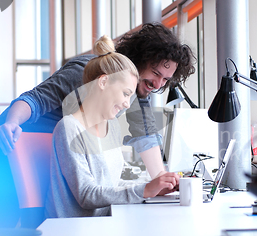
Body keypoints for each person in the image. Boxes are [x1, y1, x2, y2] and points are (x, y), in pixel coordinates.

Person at [0, 23, 195, 227]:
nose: (157, 85)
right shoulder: (85, 74)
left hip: (51, 158)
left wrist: (162, 181)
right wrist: (12, 122)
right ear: (139, 60)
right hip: (8, 147)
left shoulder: (135, 88)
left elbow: (146, 135)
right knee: (2, 231)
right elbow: (37, 99)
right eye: (156, 74)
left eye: (166, 80)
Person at [46, 36, 179, 218]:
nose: (126, 104)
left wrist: (155, 186)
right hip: (75, 231)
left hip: (105, 224)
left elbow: (112, 184)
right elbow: (86, 194)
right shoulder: (69, 128)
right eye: (125, 94)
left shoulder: (113, 127)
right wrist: (144, 190)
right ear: (103, 82)